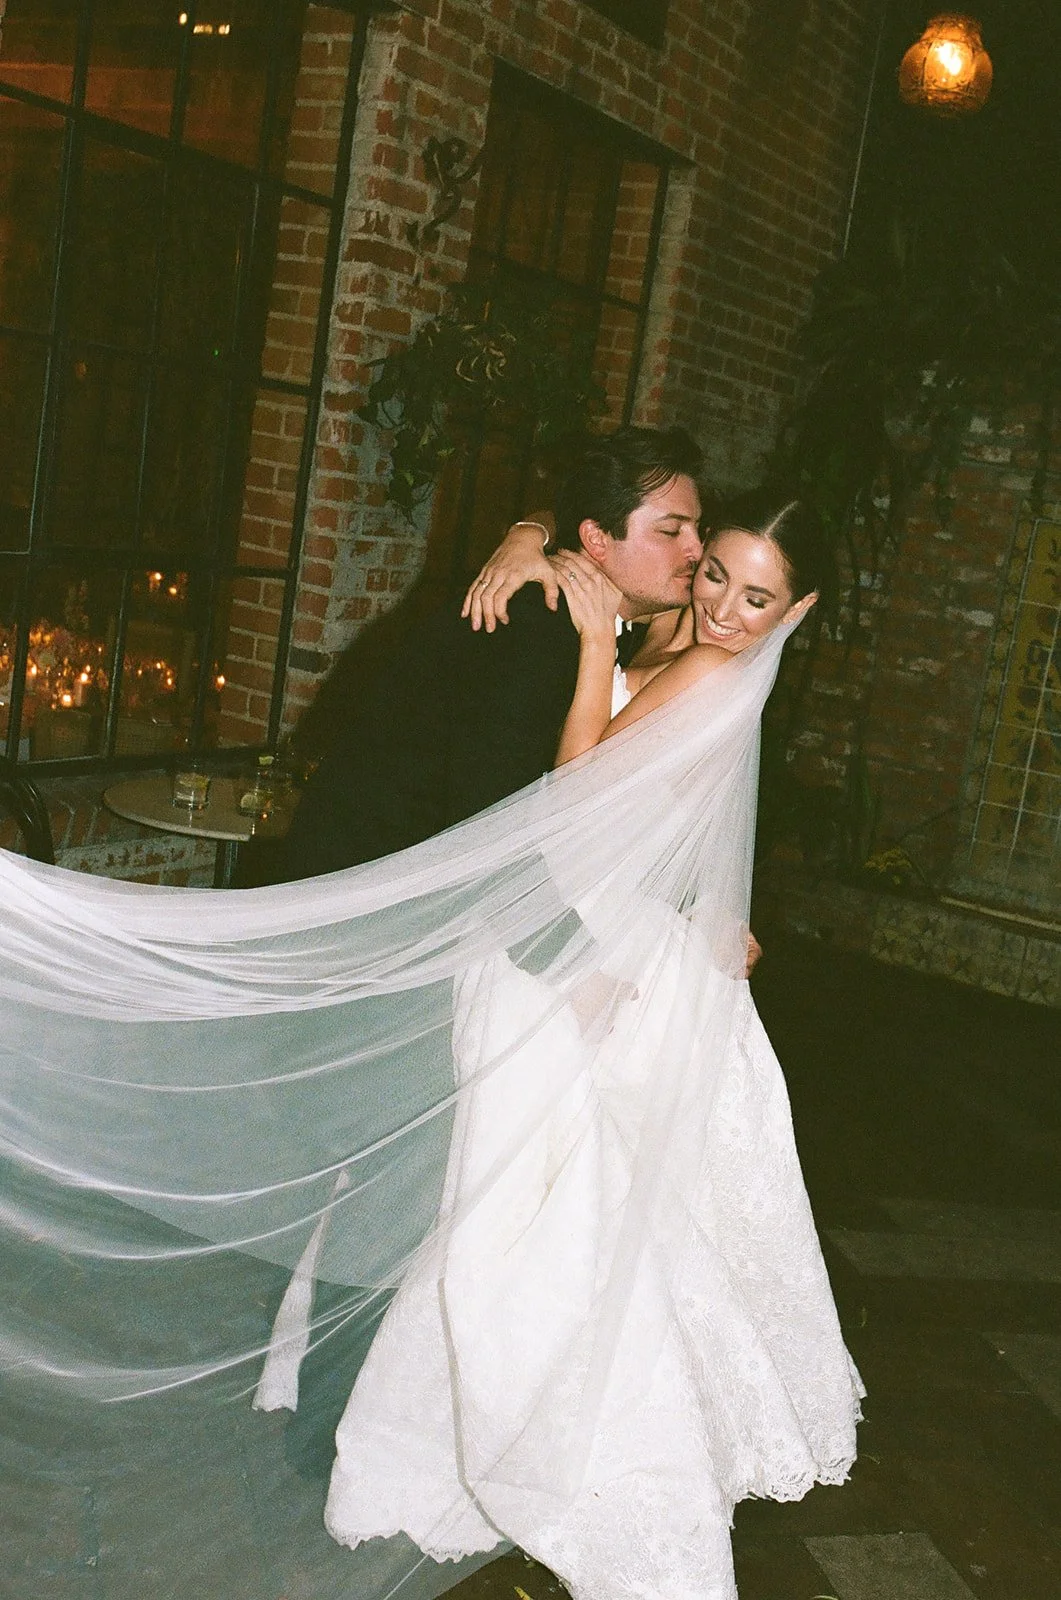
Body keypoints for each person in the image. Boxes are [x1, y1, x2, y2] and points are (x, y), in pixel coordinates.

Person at [316, 491, 862, 1600]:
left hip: (608, 961)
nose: (720, 604)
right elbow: (584, 533)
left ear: (794, 607)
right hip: (622, 937)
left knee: (554, 1216)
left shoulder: (712, 668)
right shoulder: (686, 635)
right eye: (711, 571)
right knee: (584, 1216)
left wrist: (585, 648)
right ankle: (509, 1449)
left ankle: (574, 1471)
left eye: (756, 597)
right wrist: (525, 532)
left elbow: (579, 788)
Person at [277, 425, 704, 880]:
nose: (696, 548)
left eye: (699, 528)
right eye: (671, 531)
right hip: (373, 879)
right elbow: (490, 814)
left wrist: (530, 529)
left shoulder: (626, 623)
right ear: (597, 540)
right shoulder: (534, 624)